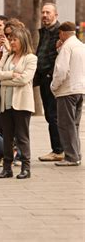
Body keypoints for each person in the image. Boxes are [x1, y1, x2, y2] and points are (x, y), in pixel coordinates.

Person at [0, 25, 37, 179]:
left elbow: (24, 79)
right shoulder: (8, 56)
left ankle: (26, 167)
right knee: (7, 137)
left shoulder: (31, 58)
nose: (11, 42)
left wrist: (4, 80)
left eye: (14, 39)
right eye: (10, 39)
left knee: (22, 136)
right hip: (5, 102)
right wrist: (10, 75)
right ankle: (7, 168)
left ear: (22, 40)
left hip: (21, 103)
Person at [50, 21, 85, 166]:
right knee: (74, 124)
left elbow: (62, 70)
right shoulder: (81, 46)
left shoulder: (67, 47)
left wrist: (54, 86)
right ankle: (76, 154)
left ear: (63, 33)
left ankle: (71, 157)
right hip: (80, 89)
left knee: (65, 125)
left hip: (67, 91)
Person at [35, 3, 64, 162]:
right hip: (44, 79)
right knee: (50, 115)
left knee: (53, 115)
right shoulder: (45, 32)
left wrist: (50, 76)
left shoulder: (59, 34)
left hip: (51, 79)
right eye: (43, 12)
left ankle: (58, 150)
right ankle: (58, 148)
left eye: (48, 12)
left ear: (55, 15)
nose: (44, 15)